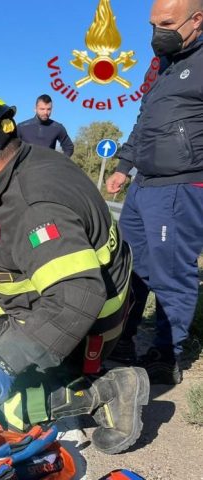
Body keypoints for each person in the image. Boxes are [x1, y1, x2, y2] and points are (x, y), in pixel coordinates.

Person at [0, 89, 148, 454]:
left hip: (83, 327)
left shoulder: (35, 205)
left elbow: (77, 297)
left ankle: (110, 390)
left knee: (3, 409)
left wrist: (6, 359)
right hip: (49, 308)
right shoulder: (23, 162)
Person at [105, 0, 203, 385]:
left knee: (171, 272)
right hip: (143, 184)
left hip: (181, 185)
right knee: (129, 267)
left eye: (166, 23)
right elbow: (143, 121)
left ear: (197, 20)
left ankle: (167, 352)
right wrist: (123, 166)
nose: (156, 33)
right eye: (152, 24)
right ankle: (123, 338)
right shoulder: (162, 66)